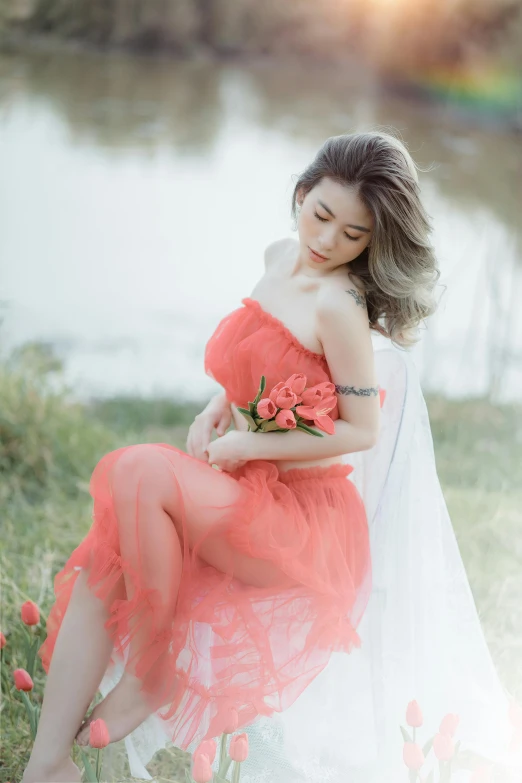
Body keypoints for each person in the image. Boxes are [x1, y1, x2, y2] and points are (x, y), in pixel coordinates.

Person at [23, 130, 441, 783]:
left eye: (354, 234)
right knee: (107, 557)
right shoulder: (278, 257)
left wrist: (252, 441)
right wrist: (216, 406)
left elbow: (362, 427)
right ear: (301, 194)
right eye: (321, 215)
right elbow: (258, 361)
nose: (328, 241)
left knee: (136, 468)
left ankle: (151, 672)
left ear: (373, 241)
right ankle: (48, 765)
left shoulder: (341, 305)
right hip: (241, 486)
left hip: (300, 520)